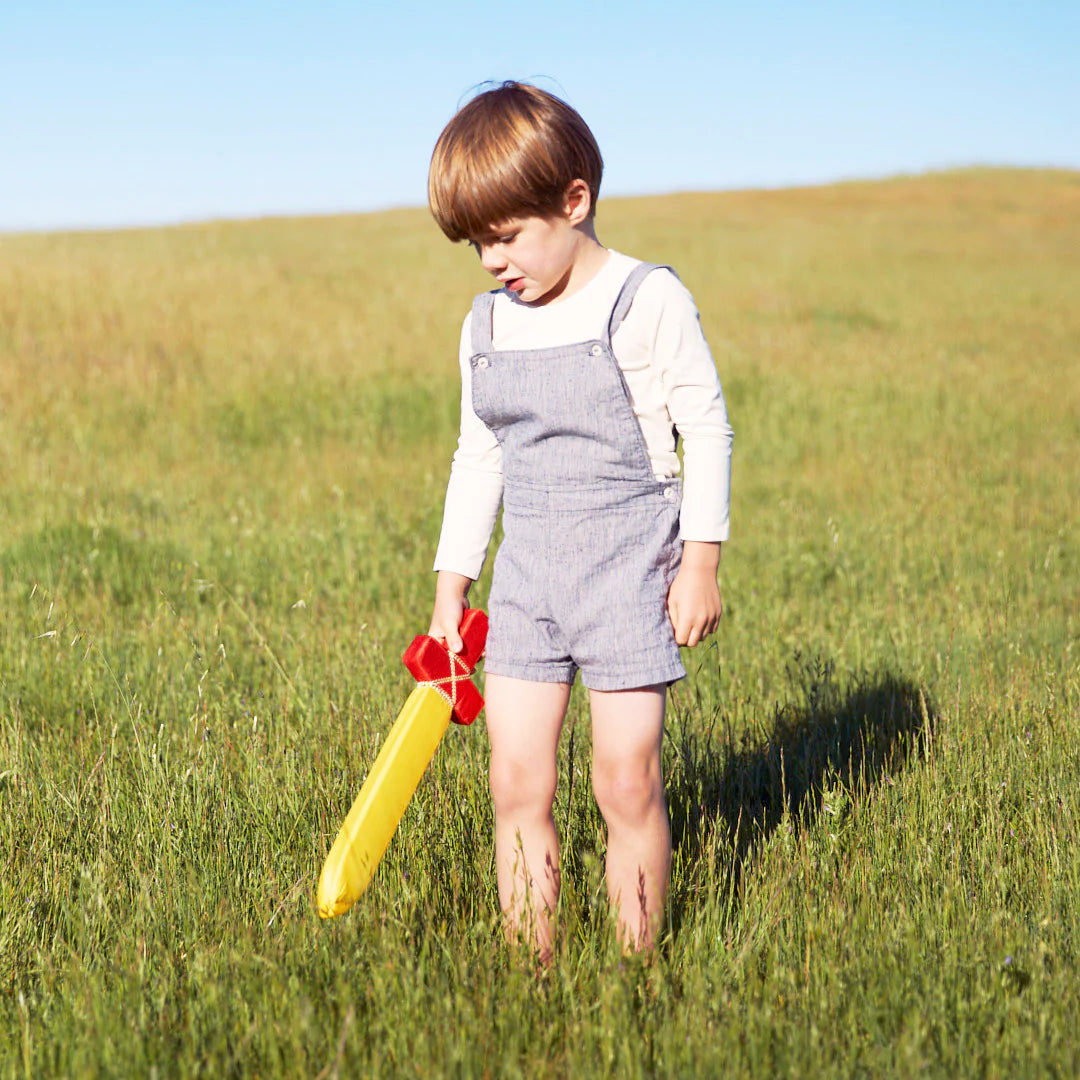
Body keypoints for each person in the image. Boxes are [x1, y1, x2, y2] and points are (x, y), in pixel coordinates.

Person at [426, 82, 733, 960]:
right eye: (476, 242)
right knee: (515, 781)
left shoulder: (646, 300)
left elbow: (705, 426)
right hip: (527, 584)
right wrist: (453, 586)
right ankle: (538, 970)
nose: (490, 260)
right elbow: (478, 456)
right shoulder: (486, 324)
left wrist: (700, 562)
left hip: (628, 576)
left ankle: (635, 971)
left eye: (506, 236)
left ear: (574, 202)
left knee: (624, 782)